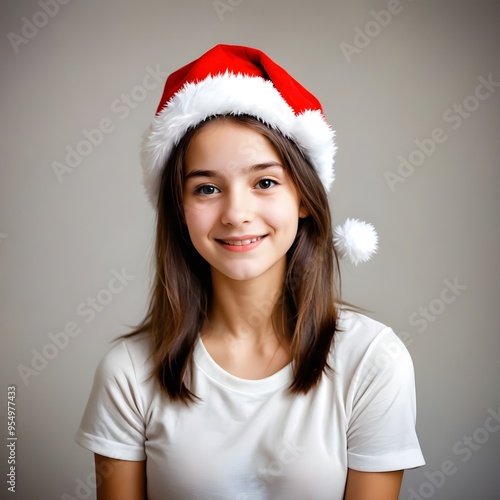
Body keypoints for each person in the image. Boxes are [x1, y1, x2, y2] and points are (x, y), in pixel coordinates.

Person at [75, 44, 425, 500]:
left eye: (264, 182)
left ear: (302, 197)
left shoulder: (373, 362)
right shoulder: (128, 372)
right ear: (179, 211)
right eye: (206, 188)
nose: (236, 213)